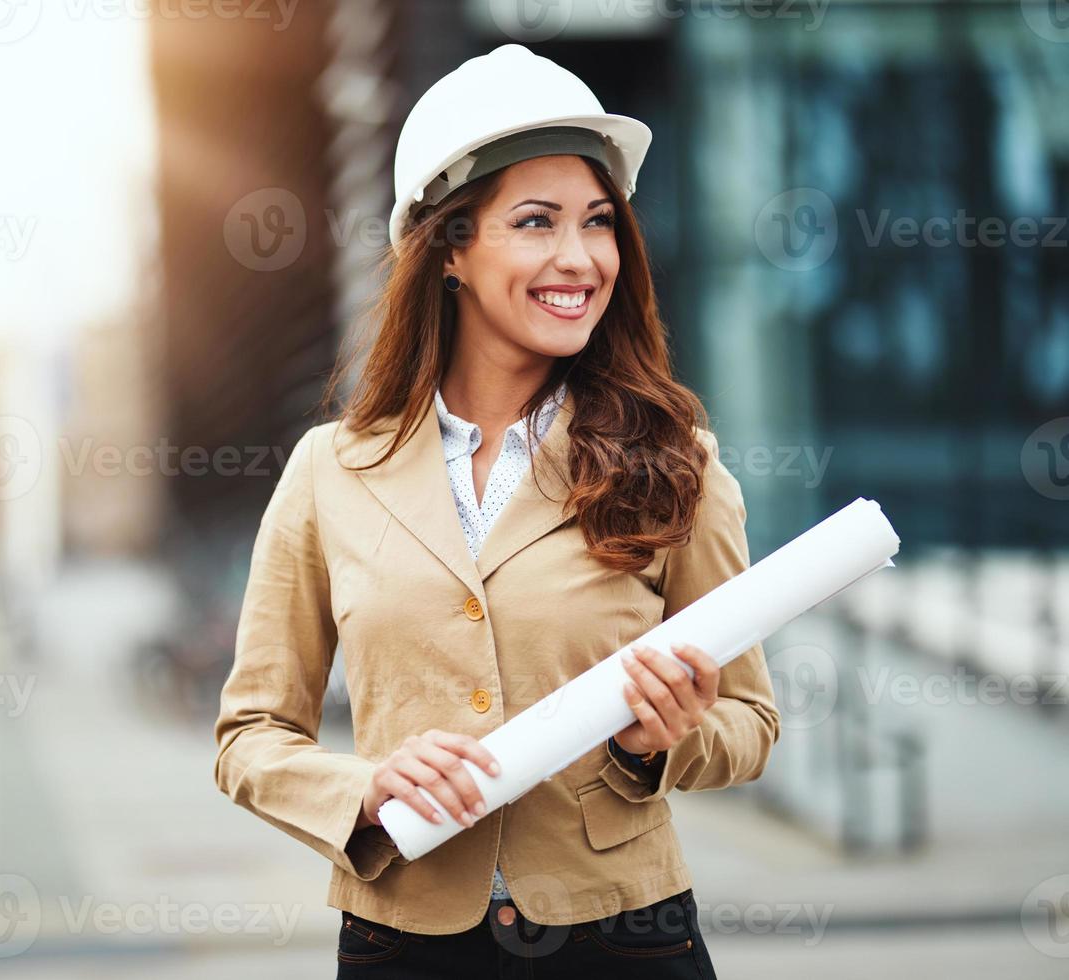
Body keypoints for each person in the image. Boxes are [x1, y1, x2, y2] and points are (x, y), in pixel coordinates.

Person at [213, 43, 780, 978]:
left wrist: (660, 744)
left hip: (625, 942)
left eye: (598, 223)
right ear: (449, 250)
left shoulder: (678, 459)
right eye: (534, 222)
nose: (579, 257)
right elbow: (250, 738)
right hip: (405, 944)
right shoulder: (330, 471)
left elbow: (750, 722)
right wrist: (364, 787)